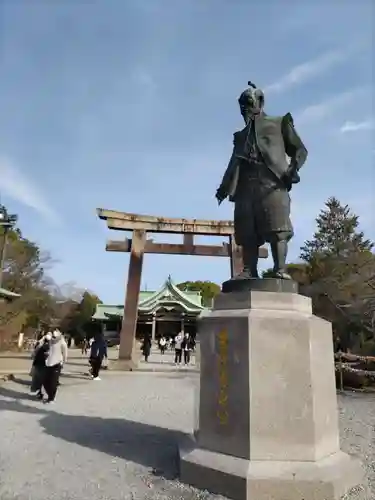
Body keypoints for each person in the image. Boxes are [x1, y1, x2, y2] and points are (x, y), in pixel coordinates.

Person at [43, 329, 68, 403]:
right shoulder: (50, 341)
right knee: (45, 381)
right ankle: (50, 395)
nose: (54, 338)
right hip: (48, 363)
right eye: (53, 336)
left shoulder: (63, 343)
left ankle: (51, 398)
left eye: (55, 337)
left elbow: (65, 354)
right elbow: (43, 344)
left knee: (53, 382)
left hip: (57, 364)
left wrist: (63, 362)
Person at [30, 333, 51, 399]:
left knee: (38, 380)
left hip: (38, 364)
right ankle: (41, 393)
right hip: (45, 365)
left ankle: (39, 392)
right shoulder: (50, 347)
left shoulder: (40, 345)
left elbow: (33, 354)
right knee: (43, 380)